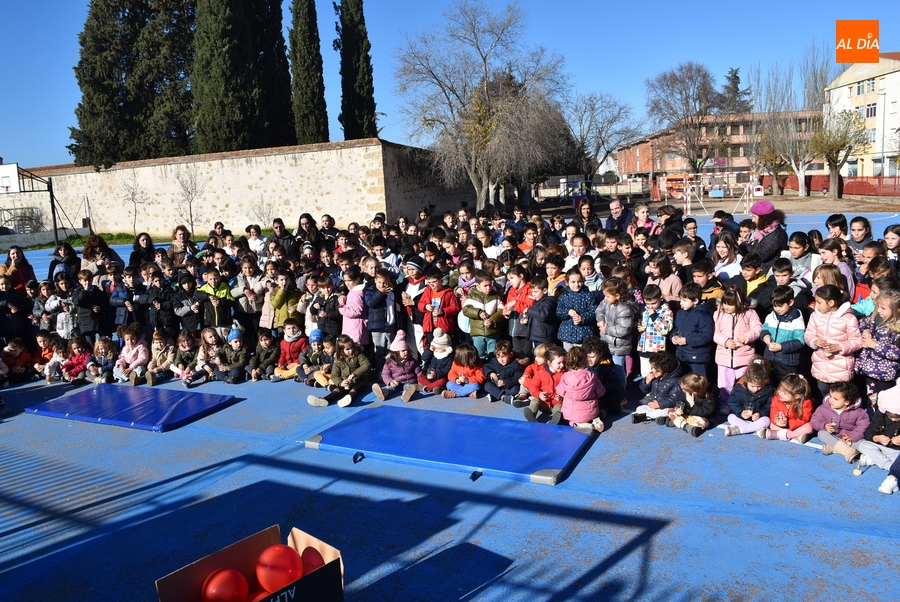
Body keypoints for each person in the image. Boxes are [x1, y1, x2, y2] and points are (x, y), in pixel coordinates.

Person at [804, 285, 862, 400]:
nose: (816, 305)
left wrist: (839, 347)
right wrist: (815, 341)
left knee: (839, 398)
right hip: (820, 366)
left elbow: (857, 340)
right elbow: (808, 333)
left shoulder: (848, 318)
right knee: (821, 394)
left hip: (841, 369)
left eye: (819, 302)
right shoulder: (815, 316)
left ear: (831, 303)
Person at [713, 287, 762, 406]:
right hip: (724, 357)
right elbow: (714, 332)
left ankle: (743, 405)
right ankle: (725, 404)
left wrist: (747, 336)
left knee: (744, 384)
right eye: (724, 303)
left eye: (730, 304)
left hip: (744, 357)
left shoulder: (749, 313)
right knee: (725, 385)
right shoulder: (718, 313)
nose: (726, 307)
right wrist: (725, 341)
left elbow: (758, 328)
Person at [855, 290, 900, 406]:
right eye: (878, 306)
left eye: (883, 308)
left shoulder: (897, 329)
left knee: (882, 403)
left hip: (884, 375)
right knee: (869, 401)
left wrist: (875, 345)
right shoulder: (875, 317)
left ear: (897, 310)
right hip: (866, 368)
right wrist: (865, 330)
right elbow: (863, 323)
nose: (879, 310)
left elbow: (897, 353)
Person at [811, 381, 869, 463]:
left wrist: (852, 436)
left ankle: (833, 447)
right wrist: (824, 425)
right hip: (833, 436)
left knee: (863, 444)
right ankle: (847, 451)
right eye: (830, 396)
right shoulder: (824, 408)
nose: (831, 400)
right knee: (821, 433)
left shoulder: (858, 412)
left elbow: (863, 427)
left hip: (849, 440)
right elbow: (815, 420)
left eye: (836, 399)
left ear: (847, 402)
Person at [595, 277, 636, 392]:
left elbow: (624, 329)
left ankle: (622, 392)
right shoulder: (607, 302)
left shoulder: (625, 309)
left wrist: (607, 330)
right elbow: (599, 309)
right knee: (607, 367)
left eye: (608, 296)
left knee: (618, 369)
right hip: (606, 341)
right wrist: (600, 319)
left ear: (617, 296)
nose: (605, 298)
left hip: (618, 345)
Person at [307, 334, 371, 407]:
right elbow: (334, 375)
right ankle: (324, 399)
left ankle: (348, 400)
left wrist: (354, 374)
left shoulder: (358, 355)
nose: (351, 350)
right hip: (346, 383)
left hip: (360, 382)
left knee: (354, 390)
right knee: (337, 390)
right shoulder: (338, 359)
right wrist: (340, 382)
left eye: (352, 347)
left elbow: (367, 365)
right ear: (341, 350)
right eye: (347, 349)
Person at [760, 286, 806, 382]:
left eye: (780, 306)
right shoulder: (771, 316)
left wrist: (781, 347)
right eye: (774, 306)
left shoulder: (796, 319)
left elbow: (800, 341)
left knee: (787, 385)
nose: (777, 309)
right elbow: (764, 329)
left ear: (791, 302)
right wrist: (766, 337)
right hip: (769, 359)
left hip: (787, 363)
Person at [555, 346, 605, 433]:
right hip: (591, 411)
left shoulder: (566, 377)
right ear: (585, 360)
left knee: (567, 419)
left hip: (571, 413)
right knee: (601, 408)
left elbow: (560, 391)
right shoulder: (591, 376)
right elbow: (600, 392)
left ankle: (576, 424)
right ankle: (595, 419)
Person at [671, 283, 713, 379]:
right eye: (680, 300)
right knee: (684, 382)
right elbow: (676, 328)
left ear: (695, 301)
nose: (681, 303)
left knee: (698, 382)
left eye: (684, 300)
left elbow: (706, 336)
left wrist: (687, 340)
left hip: (697, 358)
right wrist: (673, 336)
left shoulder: (703, 315)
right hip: (682, 355)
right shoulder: (680, 313)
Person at [722, 359, 775, 436]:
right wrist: (741, 412)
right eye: (752, 386)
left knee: (766, 420)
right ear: (746, 380)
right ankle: (754, 429)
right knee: (731, 417)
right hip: (742, 418)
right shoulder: (739, 388)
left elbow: (769, 405)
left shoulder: (769, 390)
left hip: (757, 419)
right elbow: (732, 402)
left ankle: (740, 430)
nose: (756, 389)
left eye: (759, 386)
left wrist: (760, 413)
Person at [372, 331, 421, 402]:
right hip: (396, 382)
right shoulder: (390, 363)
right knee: (391, 388)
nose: (406, 352)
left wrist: (420, 383)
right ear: (396, 352)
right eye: (403, 351)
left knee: (409, 386)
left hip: (409, 381)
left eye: (407, 350)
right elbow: (385, 374)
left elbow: (419, 372)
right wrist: (390, 381)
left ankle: (406, 395)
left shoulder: (412, 361)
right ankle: (384, 392)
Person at [663, 373, 716, 437]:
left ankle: (684, 425)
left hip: (701, 417)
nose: (683, 391)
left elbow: (705, 412)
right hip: (687, 415)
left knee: (703, 422)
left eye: (685, 391)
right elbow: (680, 399)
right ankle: (681, 423)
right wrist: (680, 408)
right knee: (671, 411)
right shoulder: (685, 392)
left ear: (694, 393)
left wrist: (692, 404)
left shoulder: (709, 397)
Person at [556, 268, 597, 350]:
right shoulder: (563, 296)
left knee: (583, 356)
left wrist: (582, 318)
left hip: (585, 334)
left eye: (579, 281)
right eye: (573, 282)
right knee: (569, 356)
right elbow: (558, 312)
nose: (577, 284)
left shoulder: (588, 295)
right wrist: (567, 312)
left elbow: (594, 312)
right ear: (567, 282)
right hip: (567, 334)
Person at [741, 200, 787, 274]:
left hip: (766, 272)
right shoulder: (758, 229)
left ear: (764, 218)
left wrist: (743, 245)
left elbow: (761, 254)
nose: (753, 220)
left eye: (754, 217)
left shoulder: (776, 235)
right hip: (754, 270)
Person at [637, 284, 673, 376]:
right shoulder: (644, 309)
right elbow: (641, 322)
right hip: (644, 347)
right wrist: (640, 327)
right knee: (645, 374)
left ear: (661, 298)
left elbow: (665, 330)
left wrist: (654, 316)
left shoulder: (666, 311)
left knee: (658, 374)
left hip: (657, 349)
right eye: (648, 303)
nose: (650, 306)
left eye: (653, 303)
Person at [483, 339, 525, 404]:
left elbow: (517, 378)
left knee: (515, 389)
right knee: (487, 385)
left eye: (503, 357)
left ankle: (496, 395)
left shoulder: (516, 365)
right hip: (496, 384)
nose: (501, 360)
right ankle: (503, 397)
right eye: (498, 357)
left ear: (511, 354)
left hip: (508, 386)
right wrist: (491, 373)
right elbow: (485, 367)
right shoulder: (494, 362)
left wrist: (505, 382)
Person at [271, 318, 309, 382]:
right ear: (284, 331)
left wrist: (296, 363)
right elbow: (283, 355)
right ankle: (291, 375)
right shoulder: (283, 342)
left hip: (298, 364)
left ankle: (282, 376)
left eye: (293, 328)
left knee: (298, 368)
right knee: (276, 370)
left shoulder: (303, 340)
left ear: (298, 328)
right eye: (289, 328)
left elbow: (305, 355)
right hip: (288, 365)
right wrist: (281, 363)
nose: (291, 330)